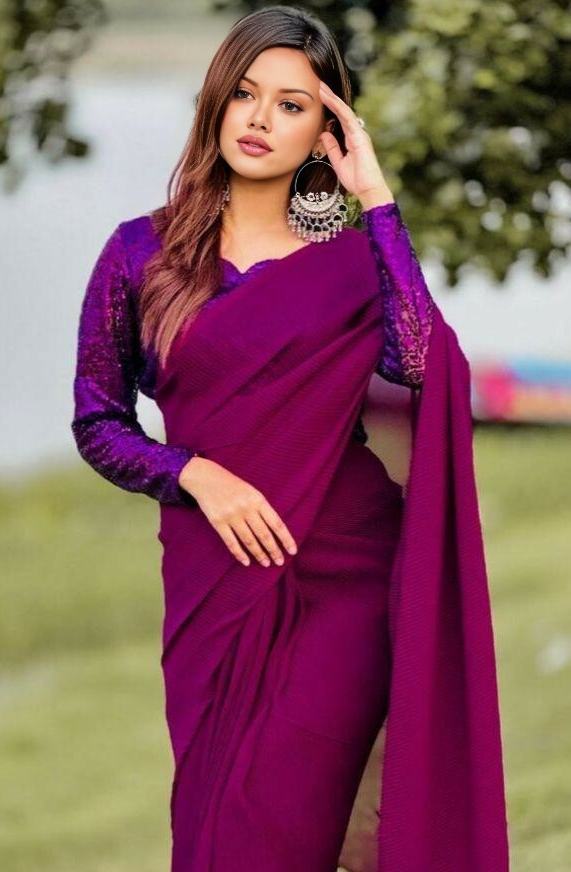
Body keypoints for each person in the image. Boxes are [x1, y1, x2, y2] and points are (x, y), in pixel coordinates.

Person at [70, 6, 509, 871]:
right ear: (216, 101)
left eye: (292, 105)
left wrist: (375, 198)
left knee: (277, 838)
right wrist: (195, 474)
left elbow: (424, 361)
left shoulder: (350, 264)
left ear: (325, 131)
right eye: (245, 94)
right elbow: (98, 420)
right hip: (212, 577)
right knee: (212, 837)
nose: (261, 119)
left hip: (344, 578)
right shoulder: (141, 256)